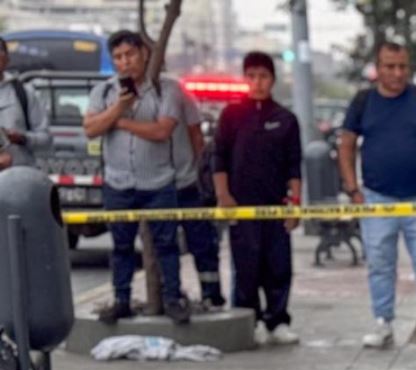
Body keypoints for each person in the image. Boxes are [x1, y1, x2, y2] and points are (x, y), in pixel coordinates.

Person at [338, 41, 416, 351]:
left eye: (402, 66)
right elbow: (346, 144)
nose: (397, 73)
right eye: (390, 66)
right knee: (379, 263)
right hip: (377, 198)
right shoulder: (363, 102)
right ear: (378, 69)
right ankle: (382, 321)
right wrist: (353, 189)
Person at [84, 31, 190, 324]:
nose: (125, 62)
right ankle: (121, 300)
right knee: (120, 246)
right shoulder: (104, 92)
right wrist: (118, 107)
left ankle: (172, 298)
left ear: (144, 54)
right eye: (118, 57)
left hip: (158, 182)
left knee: (166, 244)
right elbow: (90, 128)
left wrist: (120, 123)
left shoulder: (164, 88)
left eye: (130, 55)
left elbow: (161, 131)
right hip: (118, 183)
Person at [214, 51, 302, 346]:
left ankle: (277, 320)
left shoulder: (285, 119)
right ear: (245, 79)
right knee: (247, 267)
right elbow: (219, 159)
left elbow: (294, 165)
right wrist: (224, 196)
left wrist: (294, 205)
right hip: (241, 207)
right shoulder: (231, 115)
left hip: (276, 207)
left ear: (272, 80)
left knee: (278, 266)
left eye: (263, 76)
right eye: (251, 76)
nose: (257, 82)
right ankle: (249, 321)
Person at [172, 89, 226, 309]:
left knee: (203, 244)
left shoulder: (180, 97)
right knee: (166, 245)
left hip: (189, 184)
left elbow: (198, 143)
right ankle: (173, 294)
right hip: (162, 186)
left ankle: (211, 295)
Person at [0, 42, 50, 170]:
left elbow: (46, 139)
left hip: (18, 178)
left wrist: (23, 138)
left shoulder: (24, 93)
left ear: (7, 58)